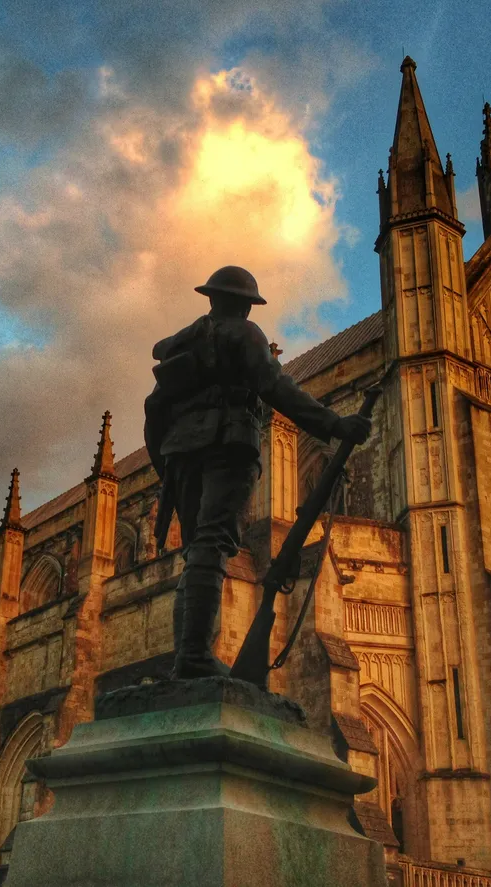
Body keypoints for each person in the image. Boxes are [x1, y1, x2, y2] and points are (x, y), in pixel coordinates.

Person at [144, 266, 372, 679]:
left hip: (182, 455)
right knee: (212, 547)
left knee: (199, 549)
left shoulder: (183, 345)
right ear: (246, 305)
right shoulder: (243, 335)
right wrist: (335, 425)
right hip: (227, 446)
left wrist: (168, 467)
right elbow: (276, 387)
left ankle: (188, 655)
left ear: (211, 298)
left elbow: (153, 411)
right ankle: (194, 657)